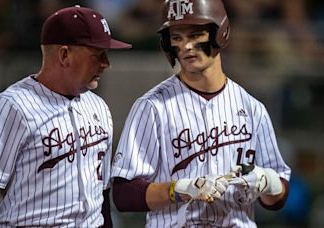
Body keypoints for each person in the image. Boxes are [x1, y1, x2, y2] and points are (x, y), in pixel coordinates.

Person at [111, 0, 291, 227]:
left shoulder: (252, 107)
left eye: (195, 35)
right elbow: (124, 195)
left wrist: (267, 182)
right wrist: (179, 189)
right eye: (177, 37)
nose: (186, 46)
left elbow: (278, 198)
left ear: (220, 33)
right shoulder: (152, 107)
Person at [0, 5, 131, 227]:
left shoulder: (98, 106)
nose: (106, 64)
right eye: (98, 54)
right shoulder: (11, 107)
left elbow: (102, 196)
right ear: (64, 54)